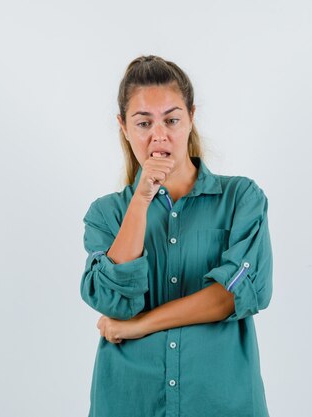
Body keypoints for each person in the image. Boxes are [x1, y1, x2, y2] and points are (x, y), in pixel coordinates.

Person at [80, 55, 273, 417]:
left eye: (171, 119)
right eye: (143, 123)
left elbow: (233, 297)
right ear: (123, 126)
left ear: (191, 118)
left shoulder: (241, 199)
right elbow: (113, 301)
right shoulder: (106, 215)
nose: (159, 135)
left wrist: (140, 326)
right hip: (128, 400)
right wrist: (141, 199)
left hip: (222, 401)